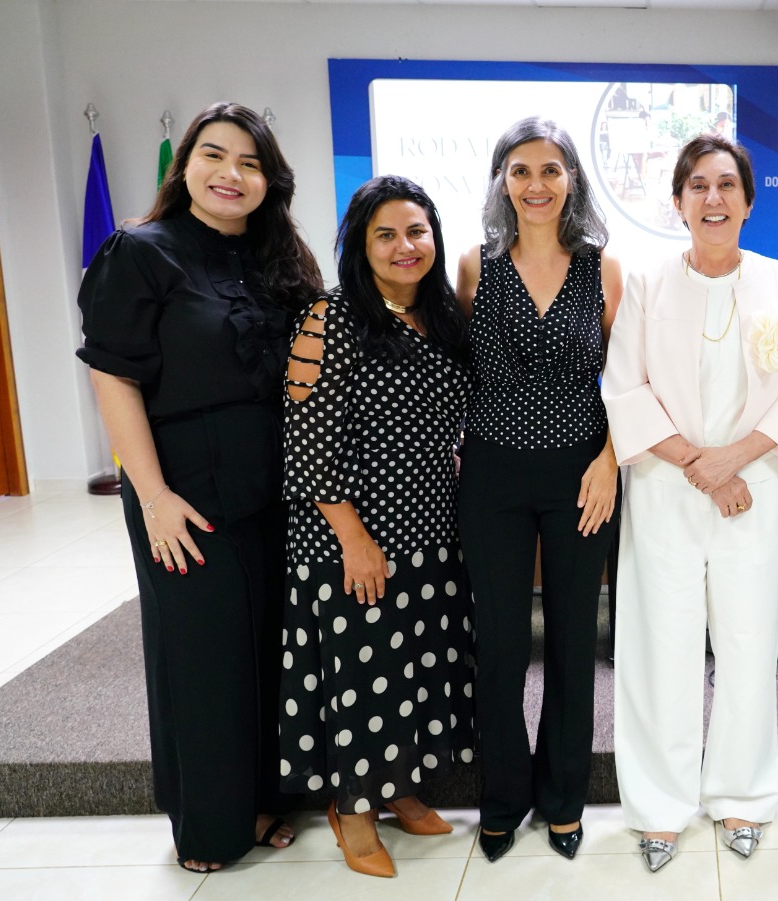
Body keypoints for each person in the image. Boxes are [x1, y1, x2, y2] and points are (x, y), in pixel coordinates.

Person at [76, 101, 322, 873]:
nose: (231, 174)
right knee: (204, 656)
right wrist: (151, 495)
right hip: (181, 488)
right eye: (215, 155)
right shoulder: (140, 252)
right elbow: (113, 375)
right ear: (185, 165)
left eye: (250, 162)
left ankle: (265, 798)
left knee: (271, 648)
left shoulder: (278, 259)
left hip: (274, 486)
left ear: (270, 180)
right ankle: (209, 825)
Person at [603, 133, 778, 873]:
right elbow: (624, 389)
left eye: (727, 184)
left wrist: (733, 460)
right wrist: (701, 465)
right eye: (698, 185)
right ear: (678, 201)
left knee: (747, 643)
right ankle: (659, 807)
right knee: (658, 647)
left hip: (752, 491)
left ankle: (741, 795)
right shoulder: (647, 285)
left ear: (749, 202)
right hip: (664, 489)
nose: (713, 197)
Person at [276, 175, 474, 878]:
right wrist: (353, 540)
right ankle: (353, 811)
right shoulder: (329, 318)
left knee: (413, 670)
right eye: (385, 234)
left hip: (429, 528)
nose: (404, 246)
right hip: (354, 536)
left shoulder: (440, 316)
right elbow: (308, 442)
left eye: (416, 231)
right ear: (360, 246)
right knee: (365, 675)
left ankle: (398, 788)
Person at [455, 116, 622, 863]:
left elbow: (627, 379)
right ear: (502, 181)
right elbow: (456, 372)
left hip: (581, 474)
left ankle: (563, 799)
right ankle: (502, 798)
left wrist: (610, 458)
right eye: (520, 170)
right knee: (498, 645)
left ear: (572, 179)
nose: (535, 184)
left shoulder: (603, 270)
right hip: (492, 473)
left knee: (572, 641)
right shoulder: (474, 267)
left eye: (550, 169)